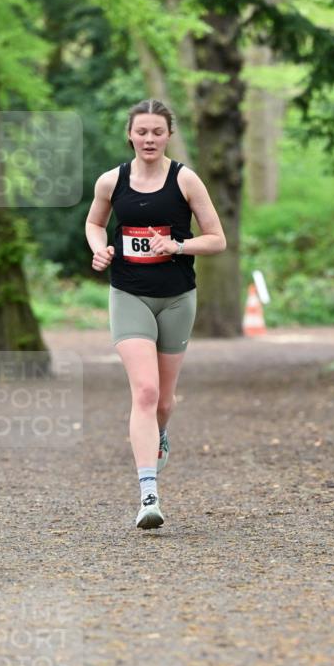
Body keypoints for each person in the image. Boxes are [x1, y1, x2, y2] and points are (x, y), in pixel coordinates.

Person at [85, 98, 226, 530]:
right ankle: (148, 494)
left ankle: (160, 435)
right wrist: (100, 249)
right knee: (145, 392)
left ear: (169, 135)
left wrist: (179, 246)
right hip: (129, 294)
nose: (149, 138)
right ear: (129, 133)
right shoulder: (112, 181)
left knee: (164, 401)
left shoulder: (186, 180)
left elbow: (217, 239)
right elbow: (94, 223)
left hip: (178, 297)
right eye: (141, 131)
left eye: (157, 132)